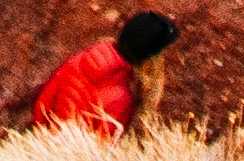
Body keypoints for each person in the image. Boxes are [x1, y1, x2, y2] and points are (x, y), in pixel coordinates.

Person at [30, 8, 180, 136]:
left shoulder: (78, 61)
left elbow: (41, 108)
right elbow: (102, 153)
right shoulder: (121, 99)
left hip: (44, 149)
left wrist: (46, 143)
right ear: (148, 58)